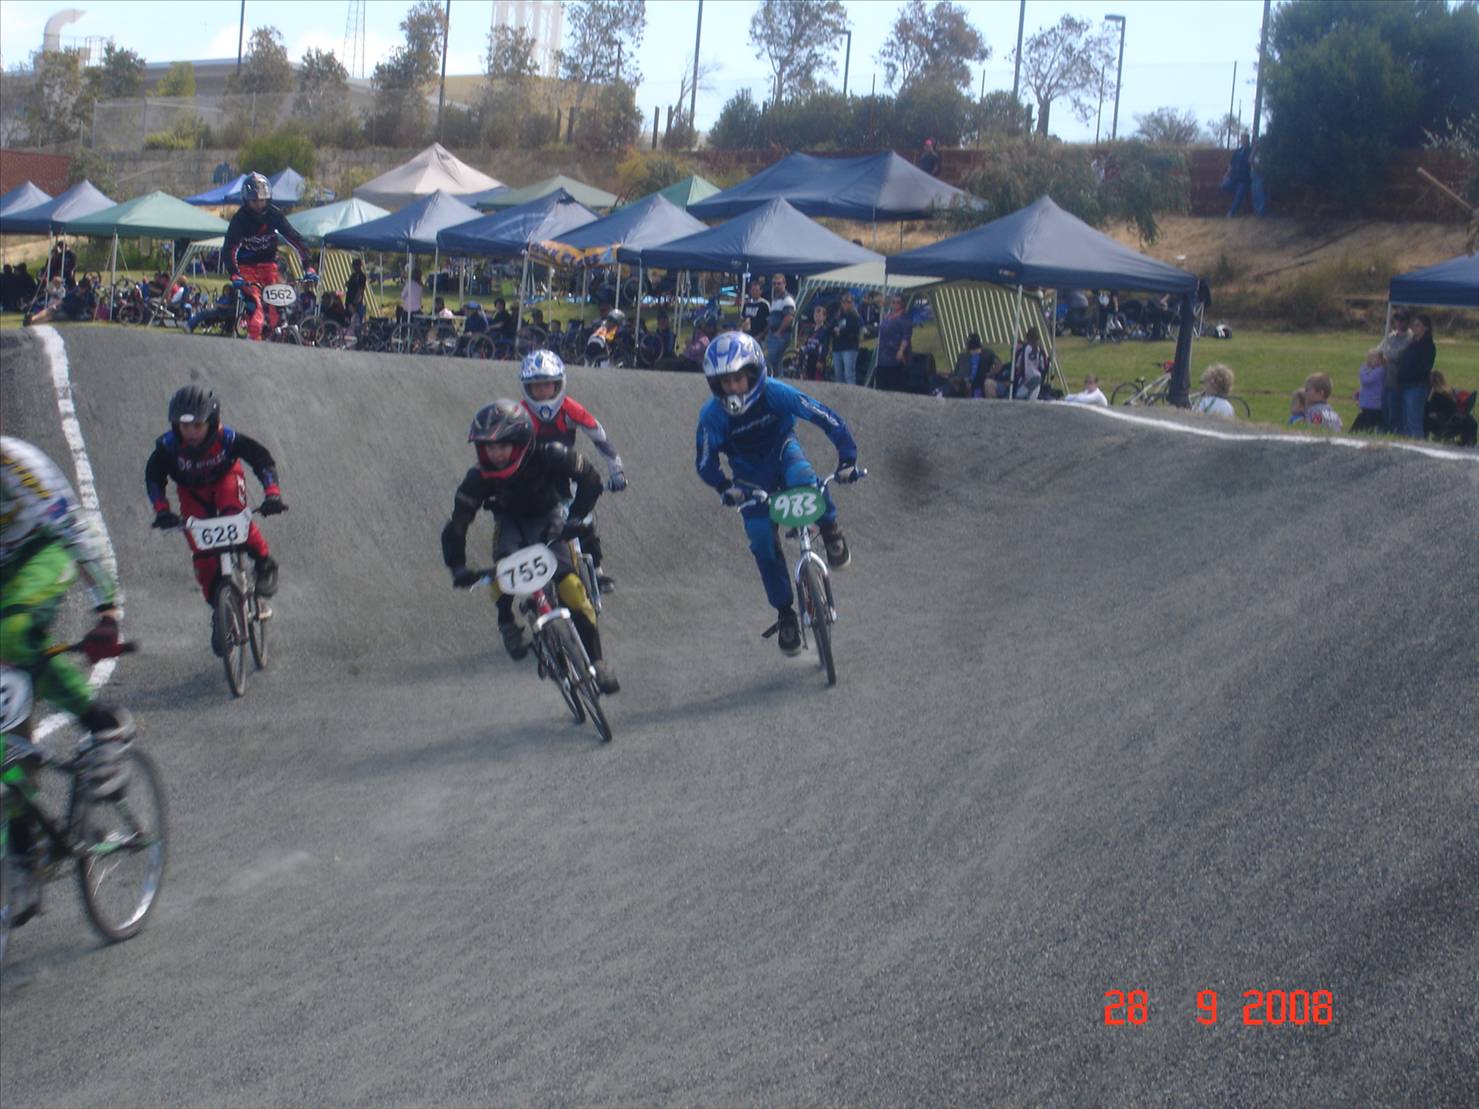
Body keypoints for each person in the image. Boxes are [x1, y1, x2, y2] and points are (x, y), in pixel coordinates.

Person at [1, 436, 133, 927]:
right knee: (7, 739)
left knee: (10, 630)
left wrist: (107, 611)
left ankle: (103, 724)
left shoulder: (19, 466)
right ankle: (22, 850)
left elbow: (75, 527)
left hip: (44, 550)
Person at [695, 331, 863, 656]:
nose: (733, 388)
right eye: (725, 382)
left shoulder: (775, 392)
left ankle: (830, 528)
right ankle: (785, 613)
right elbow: (704, 461)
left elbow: (823, 416)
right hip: (748, 476)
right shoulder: (712, 416)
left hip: (784, 451)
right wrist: (724, 486)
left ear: (755, 372)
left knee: (805, 479)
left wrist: (847, 459)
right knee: (761, 540)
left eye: (738, 378)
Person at [441, 399, 618, 694]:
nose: (495, 453)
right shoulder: (477, 478)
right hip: (510, 524)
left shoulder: (550, 453)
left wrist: (576, 518)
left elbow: (590, 479)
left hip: (549, 518)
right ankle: (506, 622)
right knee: (502, 569)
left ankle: (598, 662)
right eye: (488, 447)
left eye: (502, 445)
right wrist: (457, 566)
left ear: (522, 440)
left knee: (572, 589)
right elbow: (457, 524)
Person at [145, 386, 287, 655]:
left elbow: (261, 459)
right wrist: (162, 510)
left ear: (211, 422)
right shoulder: (168, 447)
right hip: (191, 492)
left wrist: (272, 493)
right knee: (200, 547)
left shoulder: (227, 438)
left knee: (236, 517)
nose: (191, 432)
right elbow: (154, 477)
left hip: (226, 480)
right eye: (184, 426)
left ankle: (264, 562)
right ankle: (220, 608)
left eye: (197, 425)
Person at [519, 349, 627, 591]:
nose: (543, 391)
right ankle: (534, 586)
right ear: (527, 388)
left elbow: (599, 437)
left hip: (567, 472)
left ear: (558, 384)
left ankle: (596, 570)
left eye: (548, 385)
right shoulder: (520, 414)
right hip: (532, 476)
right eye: (536, 386)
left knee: (583, 519)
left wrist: (616, 470)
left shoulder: (570, 409)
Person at [223, 172, 315, 341]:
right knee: (255, 309)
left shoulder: (274, 215)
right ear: (246, 200)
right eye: (254, 201)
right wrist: (235, 274)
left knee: (278, 312)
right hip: (246, 269)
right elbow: (229, 249)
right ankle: (253, 340)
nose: (259, 205)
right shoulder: (239, 219)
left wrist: (308, 267)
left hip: (269, 266)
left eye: (262, 200)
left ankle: (278, 337)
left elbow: (295, 239)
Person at [1395, 314, 1436, 439]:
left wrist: (1408, 375)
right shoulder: (1412, 343)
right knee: (1405, 421)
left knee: (1414, 421)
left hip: (1417, 386)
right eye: (1413, 325)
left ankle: (1418, 444)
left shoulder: (1428, 345)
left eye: (1418, 325)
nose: (1414, 327)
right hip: (1405, 385)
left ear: (1426, 328)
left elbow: (1424, 368)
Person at [1379, 308, 1411, 432]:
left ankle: (1395, 434)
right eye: (1397, 319)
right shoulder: (1390, 336)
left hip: (1398, 381)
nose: (1399, 322)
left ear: (1407, 321)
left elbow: (1398, 355)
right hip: (1385, 380)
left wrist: (1386, 354)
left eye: (1402, 319)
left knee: (1394, 414)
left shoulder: (1409, 338)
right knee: (1384, 411)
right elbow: (1379, 350)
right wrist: (1385, 354)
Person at [875, 294, 914, 392]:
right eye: (893, 302)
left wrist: (901, 350)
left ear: (903, 304)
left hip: (896, 355)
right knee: (881, 384)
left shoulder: (905, 318)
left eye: (898, 302)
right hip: (883, 355)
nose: (895, 304)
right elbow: (884, 328)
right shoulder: (889, 316)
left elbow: (906, 336)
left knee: (894, 386)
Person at [829, 292, 862, 385]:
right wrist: (837, 330)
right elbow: (830, 327)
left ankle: (851, 392)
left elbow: (853, 329)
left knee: (849, 374)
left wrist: (840, 330)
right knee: (838, 375)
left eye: (848, 301)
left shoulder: (855, 316)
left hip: (850, 348)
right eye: (843, 301)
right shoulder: (838, 315)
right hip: (837, 348)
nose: (845, 303)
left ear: (852, 303)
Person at [1350, 349, 1386, 434]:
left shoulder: (1379, 371)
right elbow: (1368, 387)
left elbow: (1366, 380)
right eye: (1368, 358)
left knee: (1364, 426)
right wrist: (1359, 394)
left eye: (1372, 359)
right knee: (1362, 426)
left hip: (1373, 406)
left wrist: (1362, 370)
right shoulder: (1372, 371)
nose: (1369, 361)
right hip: (1368, 406)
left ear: (1380, 360)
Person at [766, 274, 797, 370]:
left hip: (781, 335)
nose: (776, 286)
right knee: (776, 363)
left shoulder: (787, 299)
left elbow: (789, 317)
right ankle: (779, 377)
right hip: (773, 334)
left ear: (784, 284)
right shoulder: (775, 299)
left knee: (769, 361)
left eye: (779, 283)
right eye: (774, 284)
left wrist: (779, 332)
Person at [1007, 327, 1047, 400]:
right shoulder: (1041, 351)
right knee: (1031, 401)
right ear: (1038, 339)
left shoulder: (1022, 350)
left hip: (1025, 379)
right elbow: (1043, 368)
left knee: (1019, 399)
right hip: (1037, 378)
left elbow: (1017, 366)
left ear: (1027, 338)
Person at [799, 305, 830, 381]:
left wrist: (821, 360)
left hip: (817, 358)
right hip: (808, 357)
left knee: (816, 379)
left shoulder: (825, 331)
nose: (817, 316)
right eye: (815, 314)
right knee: (806, 378)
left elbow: (824, 346)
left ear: (824, 317)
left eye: (819, 314)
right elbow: (807, 343)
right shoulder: (811, 330)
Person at [1423, 371, 1457, 441]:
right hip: (1452, 420)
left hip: (1441, 422)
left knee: (1424, 418)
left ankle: (1424, 437)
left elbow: (1431, 410)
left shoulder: (1436, 395)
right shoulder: (1450, 391)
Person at [1225, 133, 1254, 218]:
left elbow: (1251, 162)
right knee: (1224, 186)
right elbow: (1231, 164)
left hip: (1245, 178)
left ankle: (1232, 212)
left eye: (1245, 139)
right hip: (1234, 176)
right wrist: (1226, 174)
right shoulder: (1237, 151)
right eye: (1242, 139)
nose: (1243, 141)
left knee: (1240, 192)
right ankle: (1239, 193)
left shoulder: (1251, 151)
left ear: (1248, 140)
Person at [345, 257, 367, 327]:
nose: (354, 267)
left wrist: (355, 302)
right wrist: (348, 284)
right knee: (348, 317)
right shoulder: (353, 275)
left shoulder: (362, 276)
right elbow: (350, 285)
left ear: (359, 266)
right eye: (353, 265)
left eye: (355, 265)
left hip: (355, 301)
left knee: (355, 318)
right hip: (349, 298)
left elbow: (360, 289)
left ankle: (356, 329)